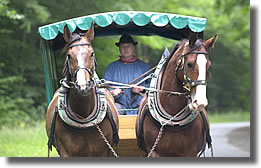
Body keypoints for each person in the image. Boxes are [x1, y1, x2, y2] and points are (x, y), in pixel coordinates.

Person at [104, 34, 151, 115]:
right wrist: (112, 92)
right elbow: (103, 88)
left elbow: (155, 85)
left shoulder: (144, 67)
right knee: (112, 110)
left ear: (133, 47)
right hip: (119, 106)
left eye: (128, 46)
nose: (126, 49)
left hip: (141, 106)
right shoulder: (111, 67)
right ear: (119, 48)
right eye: (123, 46)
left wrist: (142, 88)